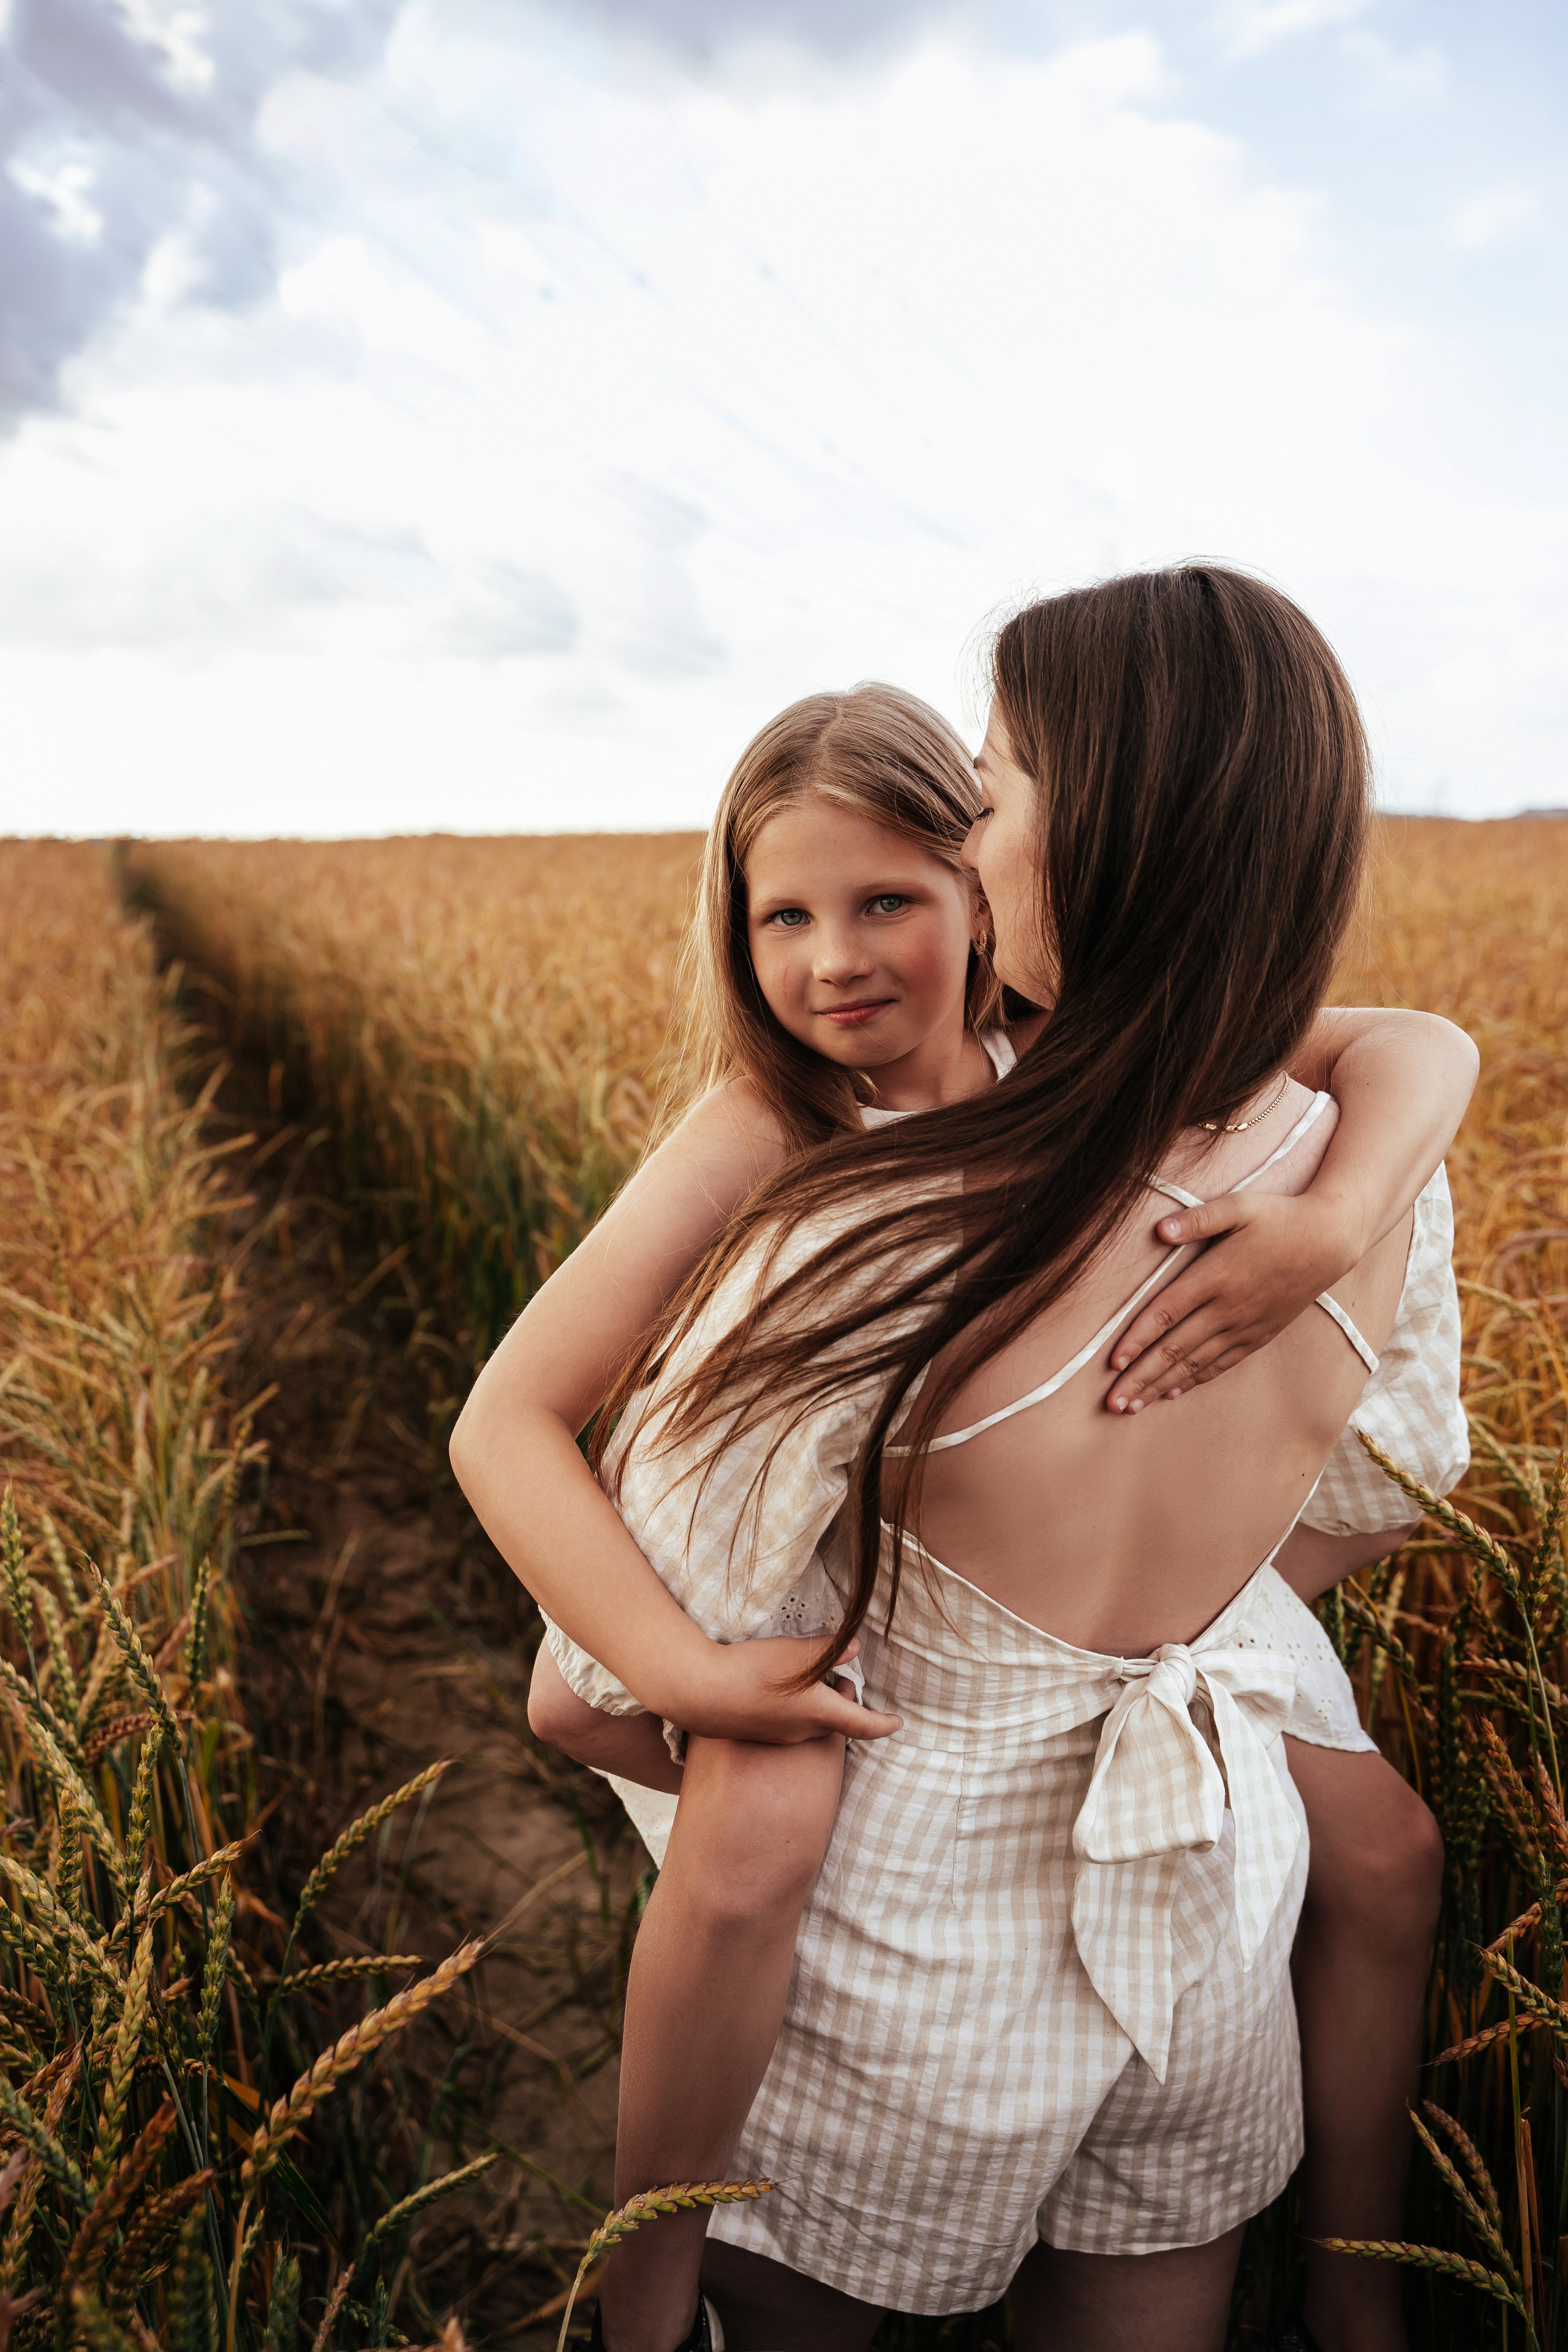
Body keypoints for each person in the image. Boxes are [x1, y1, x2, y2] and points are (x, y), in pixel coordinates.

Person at [451, 651, 1474, 2352]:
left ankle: (1355, 2289)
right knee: (757, 1809)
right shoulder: (782, 1139)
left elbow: (1408, 1044)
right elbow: (514, 1434)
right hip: (868, 1653)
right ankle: (654, 2281)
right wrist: (681, 1677)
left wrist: (1344, 1200)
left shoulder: (1052, 1084)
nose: (837, 958)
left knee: (1383, 1853)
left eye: (890, 894)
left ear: (984, 888)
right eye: (783, 917)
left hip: (1118, 1675)